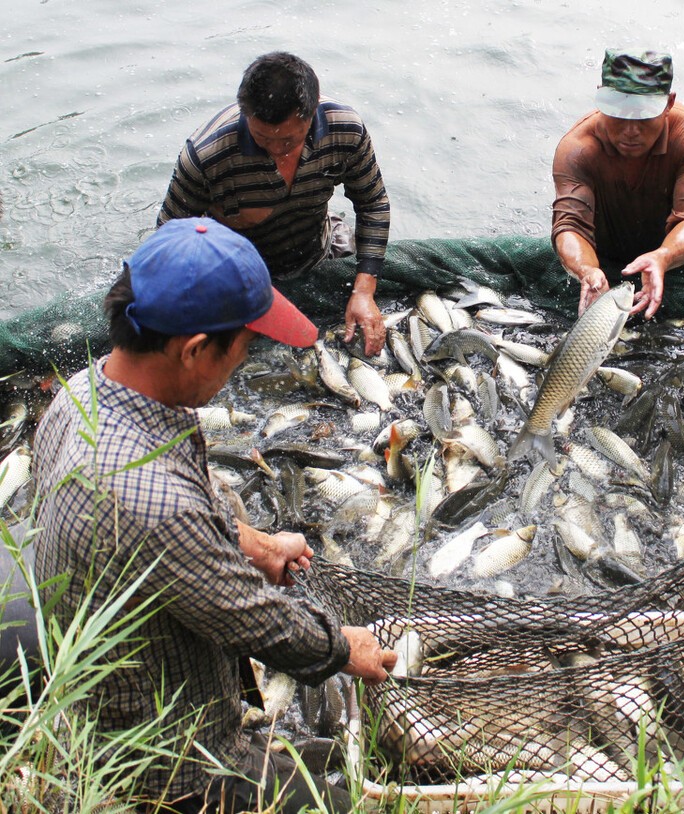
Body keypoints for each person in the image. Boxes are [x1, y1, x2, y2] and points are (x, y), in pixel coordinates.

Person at [32, 218, 396, 812]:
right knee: (342, 803)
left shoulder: (82, 392)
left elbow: (183, 507)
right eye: (245, 346)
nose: (243, 362)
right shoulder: (151, 506)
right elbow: (257, 622)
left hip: (94, 665)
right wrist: (343, 647)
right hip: (164, 755)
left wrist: (255, 543)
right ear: (197, 349)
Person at [158, 51, 391, 356]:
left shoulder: (345, 130)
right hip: (238, 273)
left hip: (317, 247)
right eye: (262, 139)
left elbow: (373, 203)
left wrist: (364, 290)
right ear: (246, 114)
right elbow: (169, 238)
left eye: (288, 141)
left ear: (312, 113)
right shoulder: (206, 155)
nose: (277, 152)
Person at [552, 49, 684, 319]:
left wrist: (663, 256)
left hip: (672, 259)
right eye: (619, 112)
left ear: (668, 103)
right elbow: (570, 225)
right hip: (603, 258)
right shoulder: (577, 148)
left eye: (643, 114)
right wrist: (587, 270)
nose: (630, 130)